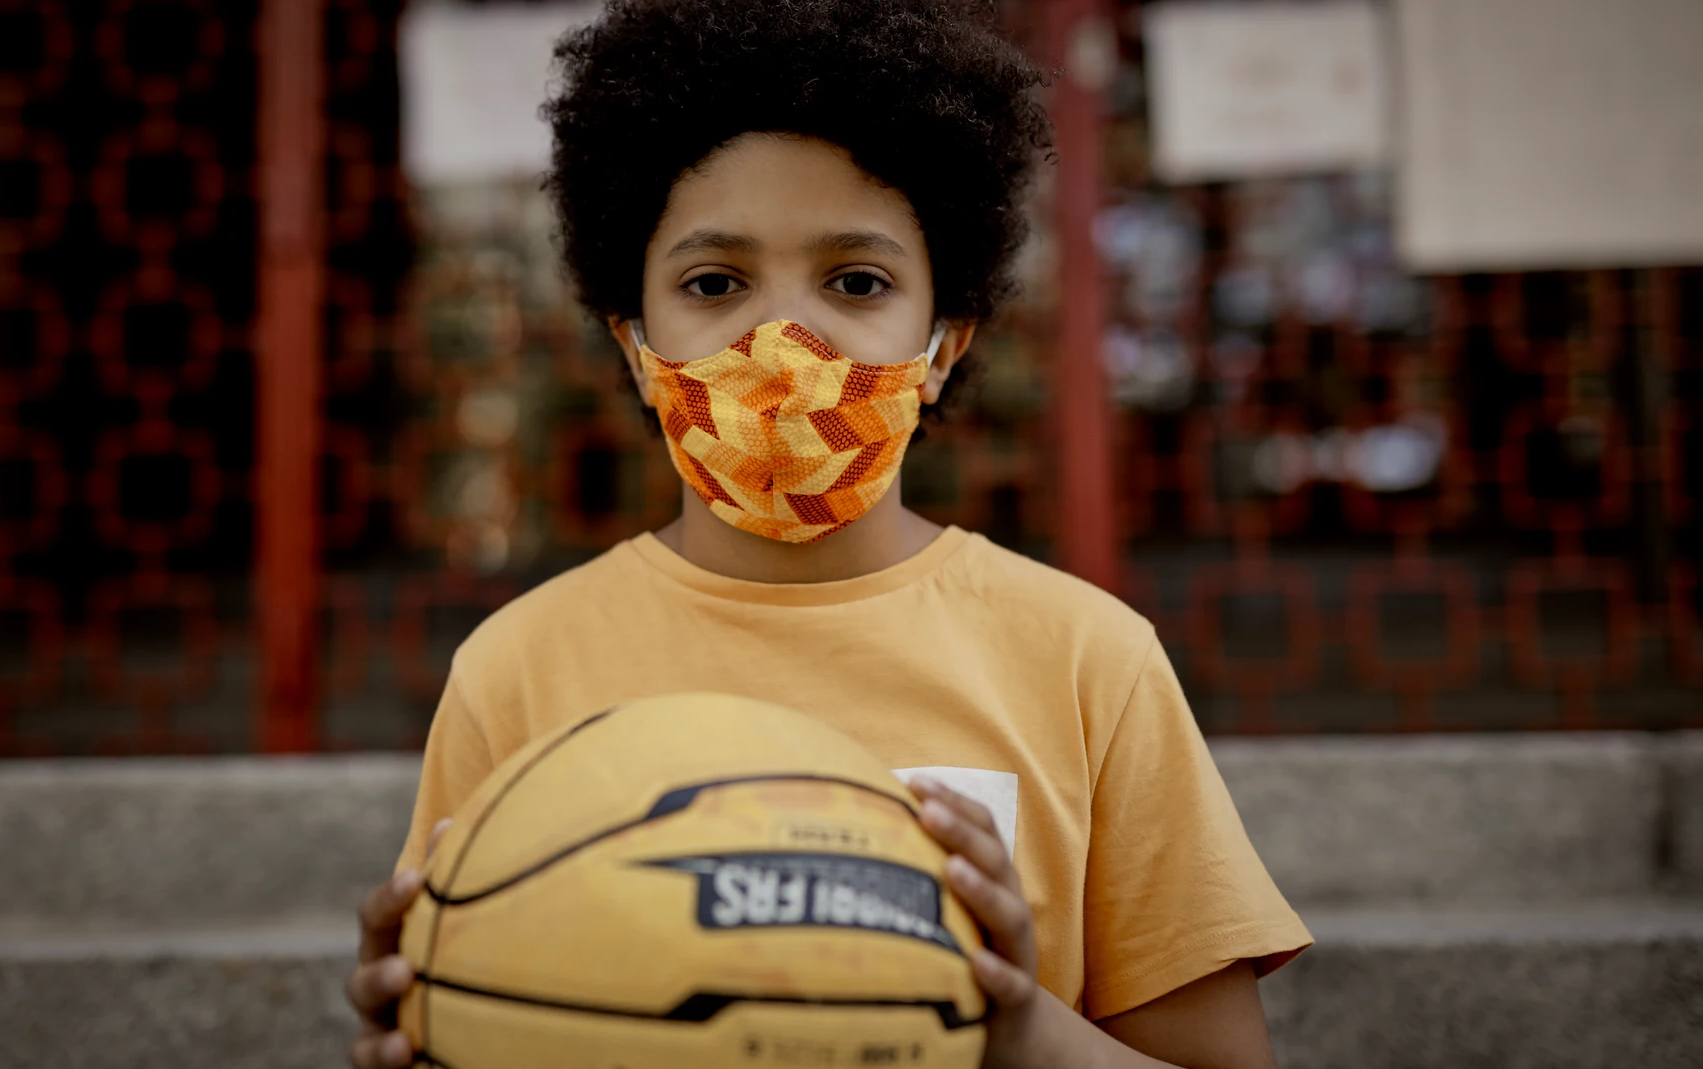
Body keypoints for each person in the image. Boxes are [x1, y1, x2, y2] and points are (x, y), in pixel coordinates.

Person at [347, 1, 1311, 1066]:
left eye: (857, 281)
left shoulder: (1089, 663)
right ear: (634, 344)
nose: (781, 343)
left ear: (943, 343)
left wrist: (1012, 1020)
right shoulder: (515, 673)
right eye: (714, 283)